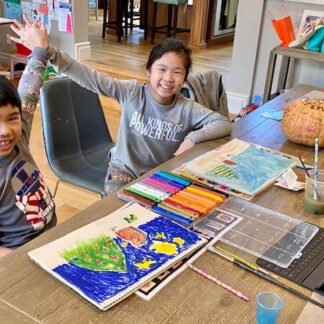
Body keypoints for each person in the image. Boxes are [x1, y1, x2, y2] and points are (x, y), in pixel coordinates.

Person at [11, 15, 232, 195]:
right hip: (122, 170)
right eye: (161, 69)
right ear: (149, 71)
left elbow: (223, 122)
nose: (168, 78)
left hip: (161, 174)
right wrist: (49, 52)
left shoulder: (187, 107)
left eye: (177, 72)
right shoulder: (133, 92)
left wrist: (193, 138)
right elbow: (91, 78)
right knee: (116, 210)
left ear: (184, 77)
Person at [0, 45, 56, 257]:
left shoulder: (19, 138)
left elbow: (28, 91)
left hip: (53, 238)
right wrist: (23, 260)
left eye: (12, 118)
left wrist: (40, 50)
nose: (5, 131)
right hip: (21, 257)